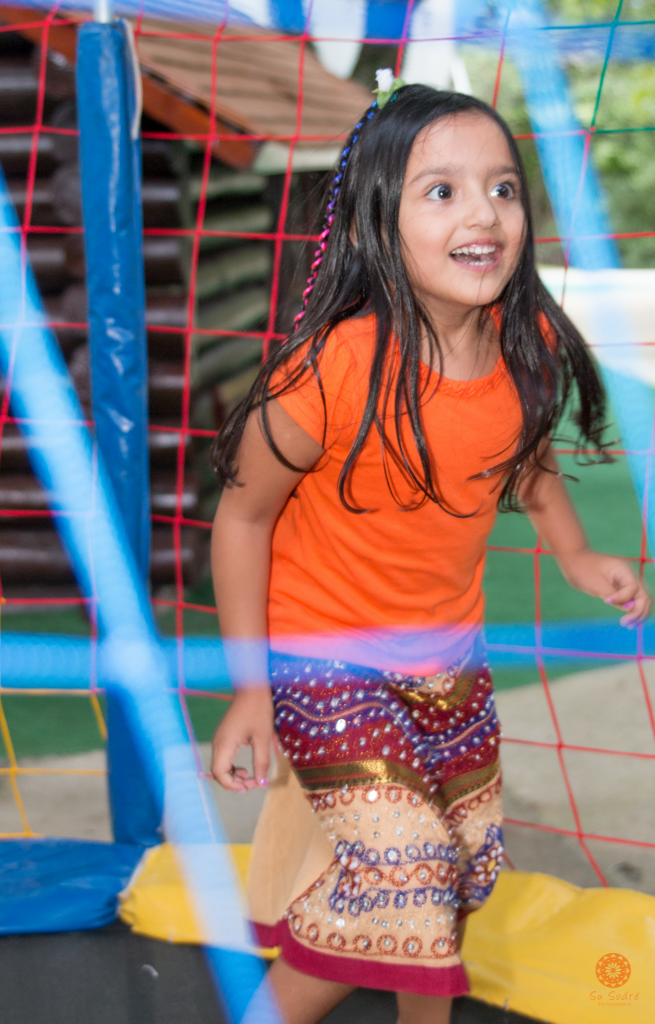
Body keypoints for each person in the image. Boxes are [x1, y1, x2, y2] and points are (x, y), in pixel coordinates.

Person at [209, 76, 650, 1024]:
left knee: (458, 868)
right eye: (440, 190)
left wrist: (573, 553)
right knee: (405, 877)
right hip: (324, 665)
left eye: (501, 186)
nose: (483, 211)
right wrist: (251, 687)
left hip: (447, 663)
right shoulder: (328, 372)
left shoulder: (521, 342)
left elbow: (522, 460)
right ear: (377, 223)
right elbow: (242, 519)